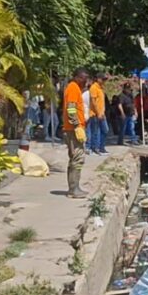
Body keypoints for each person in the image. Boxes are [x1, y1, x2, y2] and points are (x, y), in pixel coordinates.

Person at [62, 68, 90, 198]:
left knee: (75, 158)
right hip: (73, 129)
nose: (86, 81)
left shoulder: (74, 88)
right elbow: (71, 108)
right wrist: (77, 125)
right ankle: (74, 189)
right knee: (77, 158)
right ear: (78, 77)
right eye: (84, 78)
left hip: (73, 128)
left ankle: (73, 188)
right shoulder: (73, 88)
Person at [88, 73, 109, 155]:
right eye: (103, 79)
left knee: (105, 130)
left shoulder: (101, 88)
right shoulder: (94, 87)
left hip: (102, 113)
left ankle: (101, 147)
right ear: (98, 79)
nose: (104, 81)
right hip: (95, 114)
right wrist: (98, 113)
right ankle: (95, 148)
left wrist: (102, 112)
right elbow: (93, 102)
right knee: (95, 131)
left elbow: (102, 102)